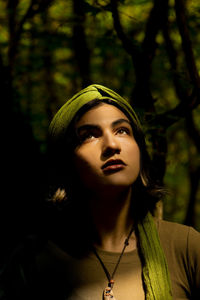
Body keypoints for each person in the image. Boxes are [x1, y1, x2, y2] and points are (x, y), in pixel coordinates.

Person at [1, 84, 200, 300]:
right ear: (66, 161)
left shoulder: (186, 246)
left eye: (122, 130)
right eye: (89, 135)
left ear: (139, 150)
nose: (112, 144)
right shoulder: (33, 259)